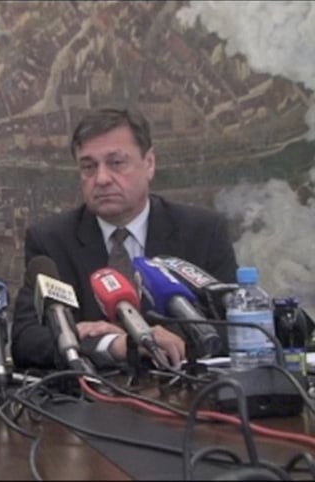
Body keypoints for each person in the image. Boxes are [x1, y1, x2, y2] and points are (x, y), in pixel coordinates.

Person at [12, 107, 238, 371]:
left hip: (188, 389)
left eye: (116, 163)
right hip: (93, 394)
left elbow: (236, 329)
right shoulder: (51, 240)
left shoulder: (201, 231)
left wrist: (159, 341)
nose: (102, 179)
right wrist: (112, 344)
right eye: (88, 167)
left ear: (149, 163)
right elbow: (26, 340)